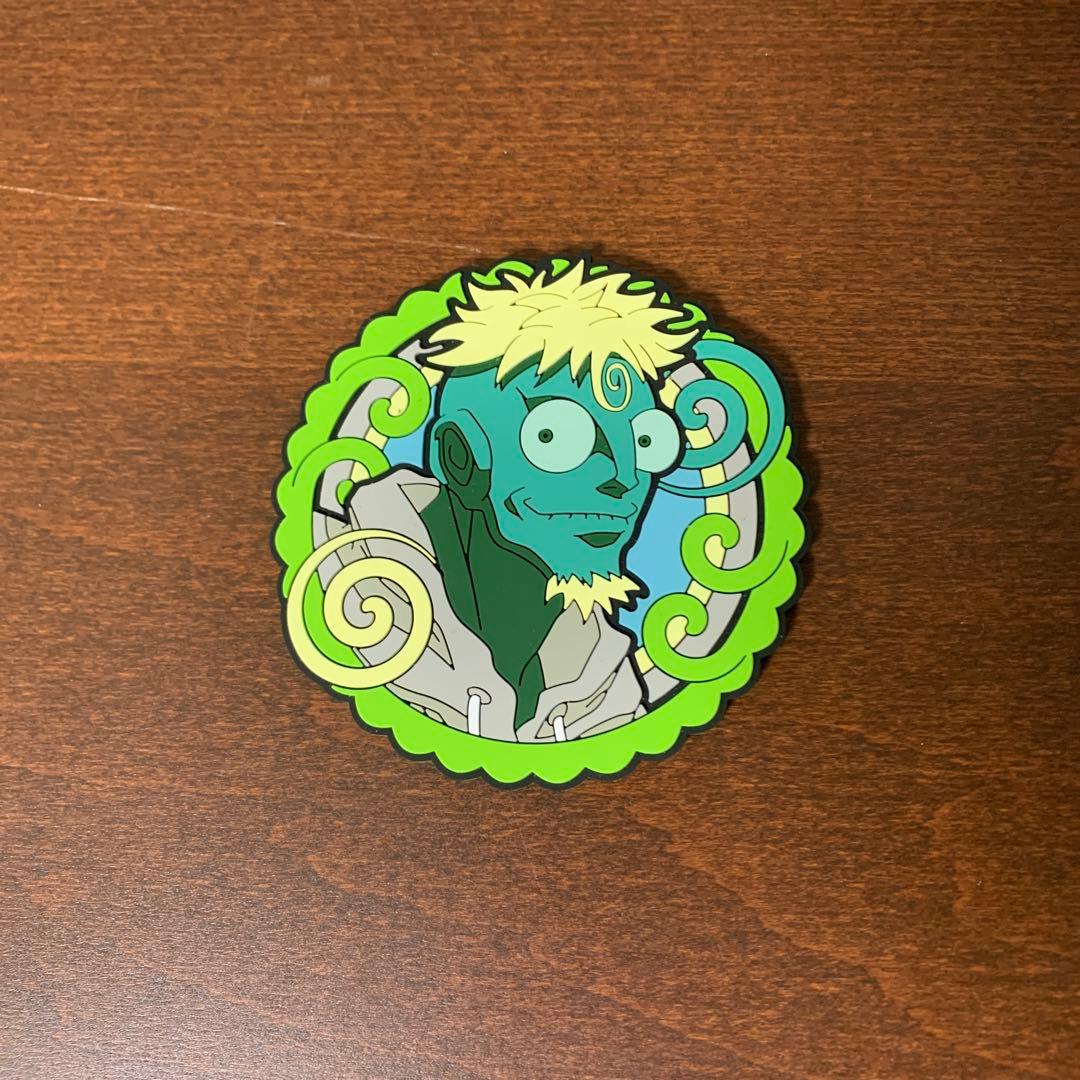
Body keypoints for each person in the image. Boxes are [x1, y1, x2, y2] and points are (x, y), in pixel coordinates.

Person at [341, 259, 699, 742]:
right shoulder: (341, 589)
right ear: (460, 458)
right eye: (555, 437)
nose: (623, 477)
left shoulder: (604, 682)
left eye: (644, 442)